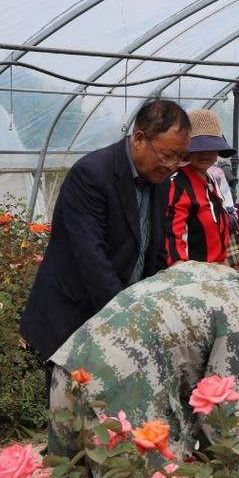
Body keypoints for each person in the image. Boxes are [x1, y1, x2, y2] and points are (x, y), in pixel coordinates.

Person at [46, 229, 239, 462]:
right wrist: (238, 475)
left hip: (69, 366)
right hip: (120, 389)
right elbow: (217, 416)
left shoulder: (201, 270)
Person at [20, 100, 190, 366]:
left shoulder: (159, 181)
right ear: (139, 139)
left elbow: (154, 250)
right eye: (167, 155)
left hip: (119, 316)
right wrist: (127, 320)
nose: (173, 166)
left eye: (181, 158)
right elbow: (91, 257)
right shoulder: (92, 175)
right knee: (71, 392)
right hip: (74, 318)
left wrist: (153, 304)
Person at [163, 109, 234, 265]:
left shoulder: (211, 181)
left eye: (211, 148)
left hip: (216, 270)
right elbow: (172, 237)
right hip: (192, 274)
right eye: (198, 148)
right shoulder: (178, 185)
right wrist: (182, 271)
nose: (205, 154)